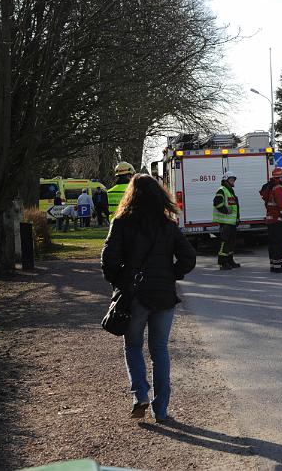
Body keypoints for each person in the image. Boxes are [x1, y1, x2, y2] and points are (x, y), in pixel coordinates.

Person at [101, 174, 196, 423]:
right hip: (164, 295)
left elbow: (108, 260)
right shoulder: (169, 226)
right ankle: (161, 409)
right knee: (160, 350)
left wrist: (120, 282)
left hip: (134, 296)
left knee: (133, 346)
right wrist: (171, 274)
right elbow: (188, 258)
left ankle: (140, 394)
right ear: (159, 196)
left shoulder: (121, 223)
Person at [261, 167, 282, 273]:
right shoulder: (279, 189)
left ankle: (274, 265)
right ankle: (278, 267)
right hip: (278, 221)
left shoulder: (271, 188)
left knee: (273, 244)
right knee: (279, 244)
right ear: (280, 177)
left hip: (271, 221)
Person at [213, 171, 240, 271]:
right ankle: (223, 263)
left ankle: (230, 261)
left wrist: (237, 219)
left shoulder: (230, 191)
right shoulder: (222, 190)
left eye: (233, 179)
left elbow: (235, 207)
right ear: (226, 180)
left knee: (231, 243)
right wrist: (225, 210)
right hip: (225, 222)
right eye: (231, 179)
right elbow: (217, 203)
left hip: (231, 222)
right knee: (225, 242)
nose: (233, 181)